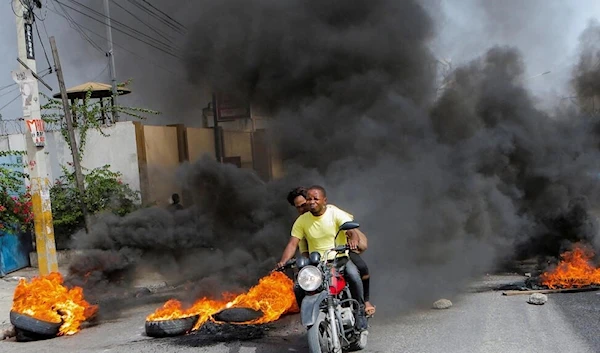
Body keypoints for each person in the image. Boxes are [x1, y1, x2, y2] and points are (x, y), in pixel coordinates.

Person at [277, 185, 368, 330]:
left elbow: (351, 231)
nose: (311, 202)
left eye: (315, 199)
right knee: (299, 286)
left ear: (324, 200)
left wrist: (353, 239)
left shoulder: (334, 213)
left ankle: (360, 312)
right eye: (309, 199)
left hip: (339, 258)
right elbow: (293, 243)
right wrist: (283, 261)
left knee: (353, 275)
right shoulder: (302, 221)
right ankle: (308, 317)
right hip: (317, 263)